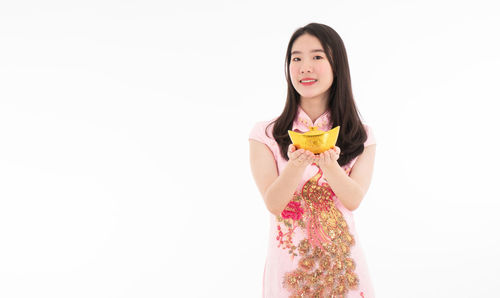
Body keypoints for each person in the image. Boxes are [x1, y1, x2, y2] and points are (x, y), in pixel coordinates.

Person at [248, 23, 377, 298]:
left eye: (317, 57)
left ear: (336, 64)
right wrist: (296, 164)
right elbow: (274, 204)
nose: (305, 66)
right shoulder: (266, 134)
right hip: (289, 273)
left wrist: (329, 164)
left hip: (343, 270)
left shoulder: (360, 135)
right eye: (296, 58)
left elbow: (353, 199)